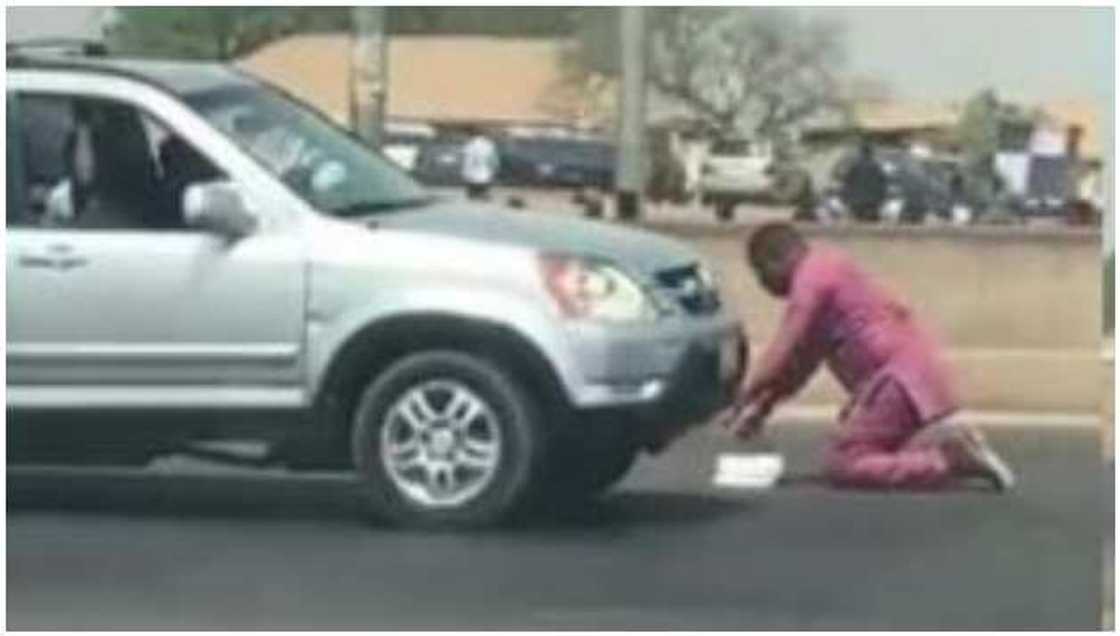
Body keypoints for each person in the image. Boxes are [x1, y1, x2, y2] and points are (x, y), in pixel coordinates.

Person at [718, 222, 1016, 491]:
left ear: (775, 260)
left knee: (846, 461)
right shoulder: (829, 269)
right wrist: (764, 406)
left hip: (897, 378)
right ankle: (938, 450)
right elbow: (800, 362)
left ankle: (947, 461)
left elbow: (784, 347)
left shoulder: (812, 279)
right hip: (909, 373)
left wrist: (741, 397)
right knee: (861, 435)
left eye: (761, 273)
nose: (763, 284)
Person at [842, 141, 888, 222]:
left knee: (858, 226)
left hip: (856, 202)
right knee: (873, 227)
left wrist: (847, 198)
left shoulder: (854, 166)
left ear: (861, 152)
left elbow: (847, 182)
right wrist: (882, 199)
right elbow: (883, 183)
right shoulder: (876, 166)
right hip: (872, 203)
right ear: (871, 153)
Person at [461, 127, 500, 201]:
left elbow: (466, 160)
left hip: (472, 173)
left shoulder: (469, 144)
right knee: (483, 182)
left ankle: (473, 194)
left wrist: (465, 172)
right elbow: (493, 158)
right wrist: (495, 167)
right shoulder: (489, 144)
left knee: (473, 184)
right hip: (484, 172)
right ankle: (483, 194)